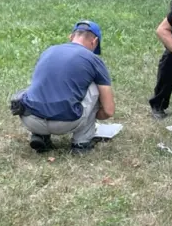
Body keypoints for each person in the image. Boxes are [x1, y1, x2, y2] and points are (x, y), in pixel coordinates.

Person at [13, 20, 116, 154]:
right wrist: (91, 116)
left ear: (71, 37)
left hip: (30, 119)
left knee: (41, 86)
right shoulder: (93, 59)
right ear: (94, 41)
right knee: (95, 87)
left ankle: (40, 135)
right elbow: (109, 110)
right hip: (66, 122)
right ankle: (82, 143)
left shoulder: (49, 51)